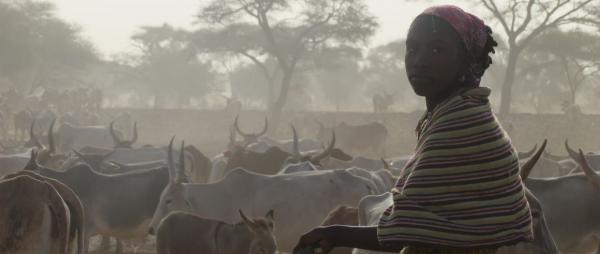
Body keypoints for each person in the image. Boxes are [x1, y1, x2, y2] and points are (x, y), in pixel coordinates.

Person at [293, 5, 533, 254]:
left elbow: (405, 232)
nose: (419, 60)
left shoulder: (459, 127)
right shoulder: (461, 115)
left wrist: (333, 233)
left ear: (466, 61)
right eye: (412, 49)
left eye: (437, 49)